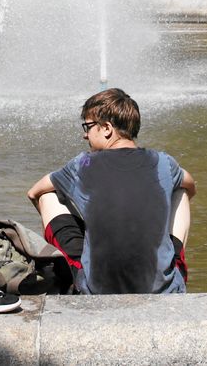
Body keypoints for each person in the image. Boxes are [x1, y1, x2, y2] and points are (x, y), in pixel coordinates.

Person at [27, 88, 194, 294]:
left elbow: (34, 192)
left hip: (96, 290)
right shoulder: (163, 162)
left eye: (88, 127)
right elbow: (190, 184)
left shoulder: (83, 164)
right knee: (181, 193)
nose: (84, 135)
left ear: (106, 128)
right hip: (163, 290)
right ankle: (172, 263)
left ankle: (68, 277)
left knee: (48, 196)